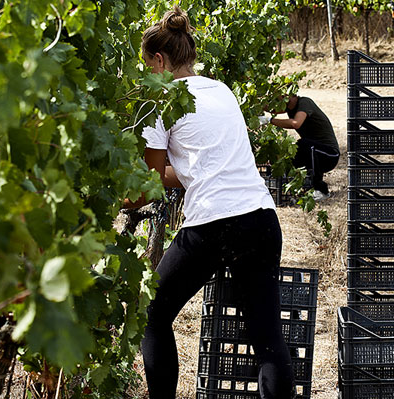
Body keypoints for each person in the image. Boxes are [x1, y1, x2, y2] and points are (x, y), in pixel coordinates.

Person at [124, 6, 294, 398]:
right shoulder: (221, 90)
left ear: (160, 60)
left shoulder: (161, 102)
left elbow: (150, 185)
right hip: (262, 218)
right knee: (267, 337)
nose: (147, 75)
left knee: (153, 314)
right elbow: (188, 172)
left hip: (216, 224)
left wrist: (119, 199)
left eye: (148, 66)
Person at [261, 94, 340, 201]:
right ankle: (289, 187)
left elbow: (296, 123)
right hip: (314, 152)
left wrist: (269, 120)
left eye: (281, 98)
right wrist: (255, 105)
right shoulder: (289, 107)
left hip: (330, 155)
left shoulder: (304, 103)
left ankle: (321, 190)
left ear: (291, 95)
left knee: (304, 144)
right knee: (287, 154)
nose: (280, 102)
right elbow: (272, 109)